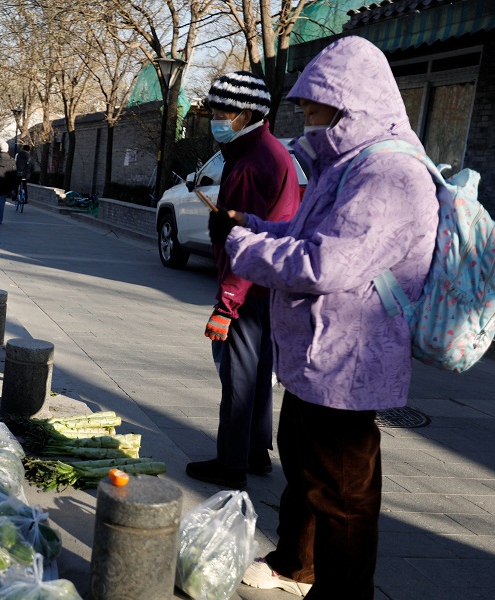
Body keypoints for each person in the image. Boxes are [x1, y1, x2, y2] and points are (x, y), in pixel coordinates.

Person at [208, 36, 438, 598]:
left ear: (349, 105)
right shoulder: (347, 164)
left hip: (349, 359)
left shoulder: (388, 174)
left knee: (343, 496)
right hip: (319, 353)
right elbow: (304, 234)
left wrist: (242, 247)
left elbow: (325, 263)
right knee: (306, 469)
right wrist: (253, 227)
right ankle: (296, 563)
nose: (308, 122)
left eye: (316, 111)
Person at [186, 71, 302, 489]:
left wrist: (227, 304)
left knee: (238, 374)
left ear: (246, 114)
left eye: (223, 113)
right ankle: (254, 451)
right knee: (256, 370)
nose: (217, 120)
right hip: (267, 283)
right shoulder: (264, 152)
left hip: (250, 285)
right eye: (214, 112)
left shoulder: (253, 163)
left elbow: (244, 243)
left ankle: (231, 463)